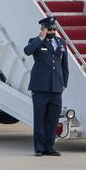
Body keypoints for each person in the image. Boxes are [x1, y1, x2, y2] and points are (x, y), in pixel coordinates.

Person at [23, 16, 69, 157]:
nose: (52, 30)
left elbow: (64, 65)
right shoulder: (35, 42)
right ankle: (39, 148)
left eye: (54, 28)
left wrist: (64, 83)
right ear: (43, 29)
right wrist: (40, 38)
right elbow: (27, 51)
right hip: (40, 87)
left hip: (56, 87)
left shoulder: (61, 42)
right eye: (49, 28)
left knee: (53, 119)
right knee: (40, 119)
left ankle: (49, 146)